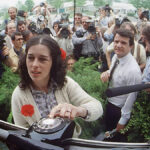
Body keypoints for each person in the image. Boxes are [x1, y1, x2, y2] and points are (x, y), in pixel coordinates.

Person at [11, 35, 103, 137]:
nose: (34, 64)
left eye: (42, 59)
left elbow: (97, 107)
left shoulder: (65, 84)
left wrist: (79, 110)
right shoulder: (19, 94)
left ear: (53, 62)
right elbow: (21, 134)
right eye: (31, 58)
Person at [100, 28, 142, 141]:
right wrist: (107, 73)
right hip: (109, 105)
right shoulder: (116, 57)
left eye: (123, 43)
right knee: (106, 137)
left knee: (115, 141)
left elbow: (131, 98)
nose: (118, 45)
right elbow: (115, 71)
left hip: (118, 111)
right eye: (116, 41)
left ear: (131, 46)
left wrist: (122, 121)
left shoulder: (133, 70)